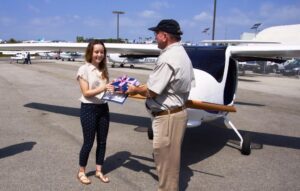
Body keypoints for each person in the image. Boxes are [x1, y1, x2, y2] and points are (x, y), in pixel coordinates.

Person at [126, 19, 195, 191]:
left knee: (166, 165)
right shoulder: (182, 54)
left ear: (164, 36)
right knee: (169, 163)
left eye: (156, 34)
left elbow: (153, 91)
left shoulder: (167, 58)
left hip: (168, 118)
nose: (155, 38)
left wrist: (134, 89)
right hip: (176, 114)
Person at [76, 40, 114, 185]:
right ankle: (81, 172)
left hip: (103, 108)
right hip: (89, 109)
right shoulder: (83, 69)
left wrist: (115, 90)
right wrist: (104, 88)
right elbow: (86, 93)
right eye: (96, 51)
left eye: (102, 52)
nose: (99, 54)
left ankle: (99, 170)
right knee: (88, 142)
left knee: (102, 141)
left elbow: (105, 92)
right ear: (90, 53)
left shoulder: (103, 70)